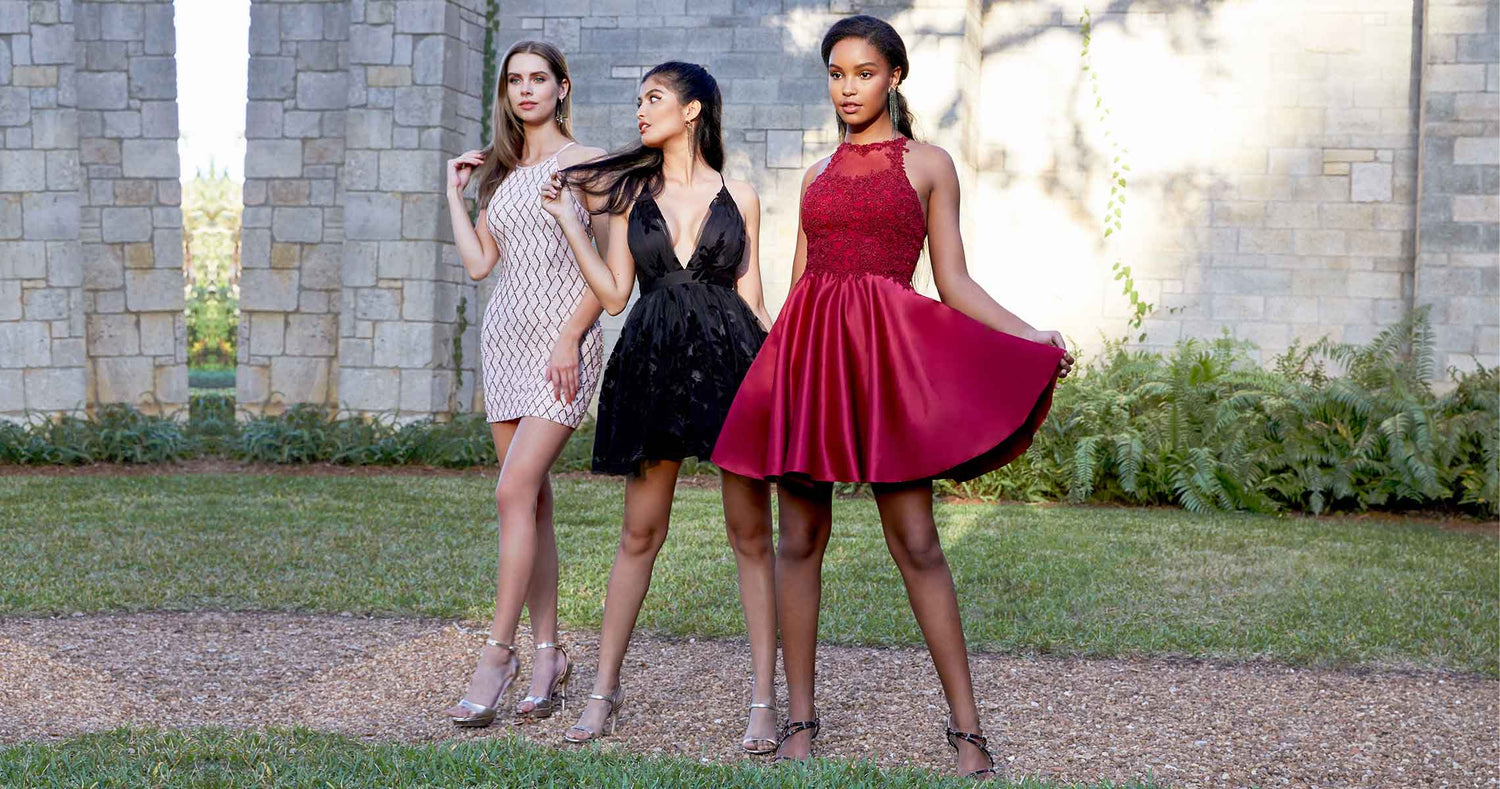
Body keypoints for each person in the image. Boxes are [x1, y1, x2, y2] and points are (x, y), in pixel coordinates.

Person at [710, 15, 1075, 780]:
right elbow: (802, 284)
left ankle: (967, 729)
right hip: (810, 364)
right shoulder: (813, 178)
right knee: (799, 540)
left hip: (882, 369)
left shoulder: (930, 164)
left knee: (916, 539)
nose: (848, 87)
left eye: (864, 72)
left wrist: (1031, 334)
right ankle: (801, 718)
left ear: (895, 78)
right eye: (837, 73)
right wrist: (771, 380)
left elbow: (955, 282)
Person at [539, 61, 781, 754]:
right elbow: (615, 295)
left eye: (654, 98)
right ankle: (601, 693)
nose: (641, 111)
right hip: (651, 365)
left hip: (732, 368)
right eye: (639, 99)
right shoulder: (630, 194)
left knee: (750, 536)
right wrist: (568, 222)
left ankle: (764, 701)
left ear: (694, 109)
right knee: (639, 535)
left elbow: (755, 301)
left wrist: (784, 377)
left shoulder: (744, 196)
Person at [440, 40, 608, 728]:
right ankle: (548, 653)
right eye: (515, 80)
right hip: (505, 343)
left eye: (539, 78)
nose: (527, 90)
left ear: (563, 88)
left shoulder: (590, 164)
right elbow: (482, 263)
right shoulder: (503, 171)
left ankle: (497, 651)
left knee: (512, 488)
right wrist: (453, 193)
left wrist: (570, 334)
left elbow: (609, 273)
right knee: (530, 500)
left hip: (564, 344)